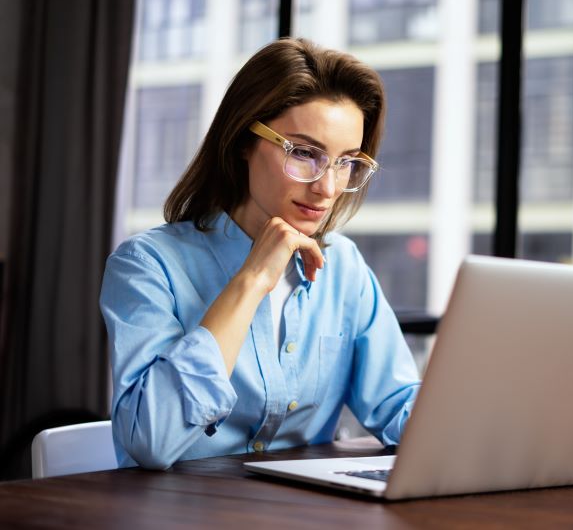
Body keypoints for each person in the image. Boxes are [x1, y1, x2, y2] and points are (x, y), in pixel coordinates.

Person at [99, 38, 421, 470]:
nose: (327, 189)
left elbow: (398, 406)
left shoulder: (344, 267)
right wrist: (251, 281)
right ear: (242, 142)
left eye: (346, 162)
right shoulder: (148, 265)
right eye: (304, 154)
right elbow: (152, 441)